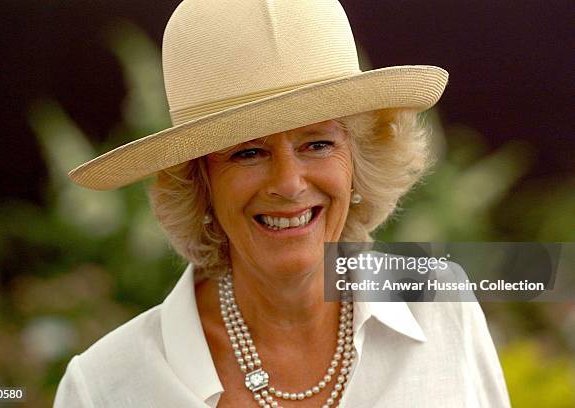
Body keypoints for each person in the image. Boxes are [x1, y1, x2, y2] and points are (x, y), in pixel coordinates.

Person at [55, 0, 510, 407]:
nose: (289, 184)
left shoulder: (439, 300)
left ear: (359, 160)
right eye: (248, 152)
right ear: (199, 184)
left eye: (316, 144)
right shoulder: (104, 387)